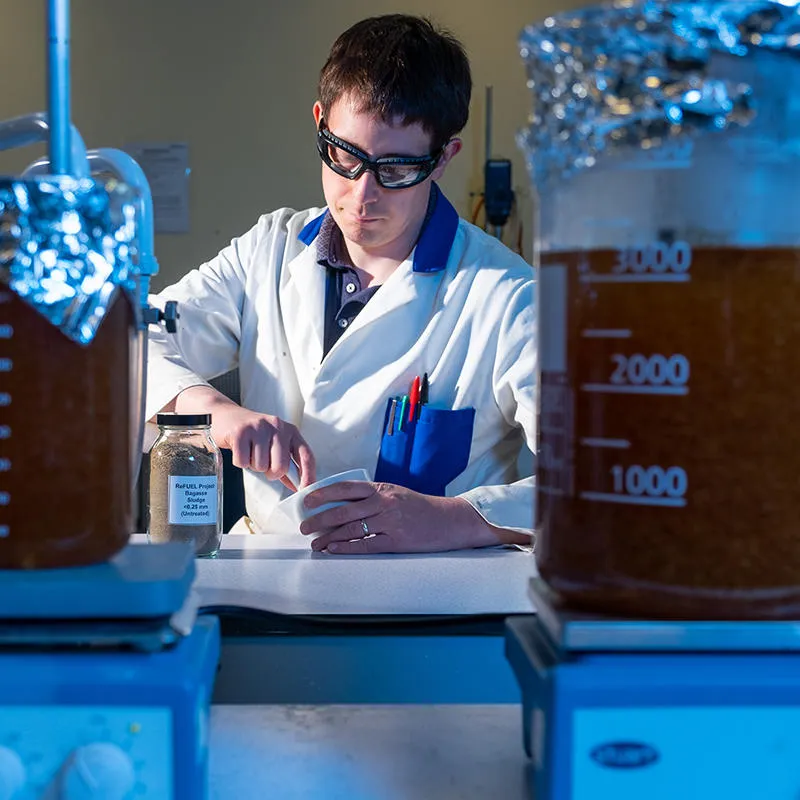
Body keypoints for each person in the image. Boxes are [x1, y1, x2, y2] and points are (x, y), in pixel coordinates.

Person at [146, 13, 535, 554]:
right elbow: (134, 339)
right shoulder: (269, 249)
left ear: (444, 157)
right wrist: (219, 414)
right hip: (269, 574)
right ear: (320, 121)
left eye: (395, 169)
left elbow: (595, 483)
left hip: (432, 598)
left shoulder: (507, 296)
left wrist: (453, 520)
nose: (362, 194)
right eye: (345, 157)